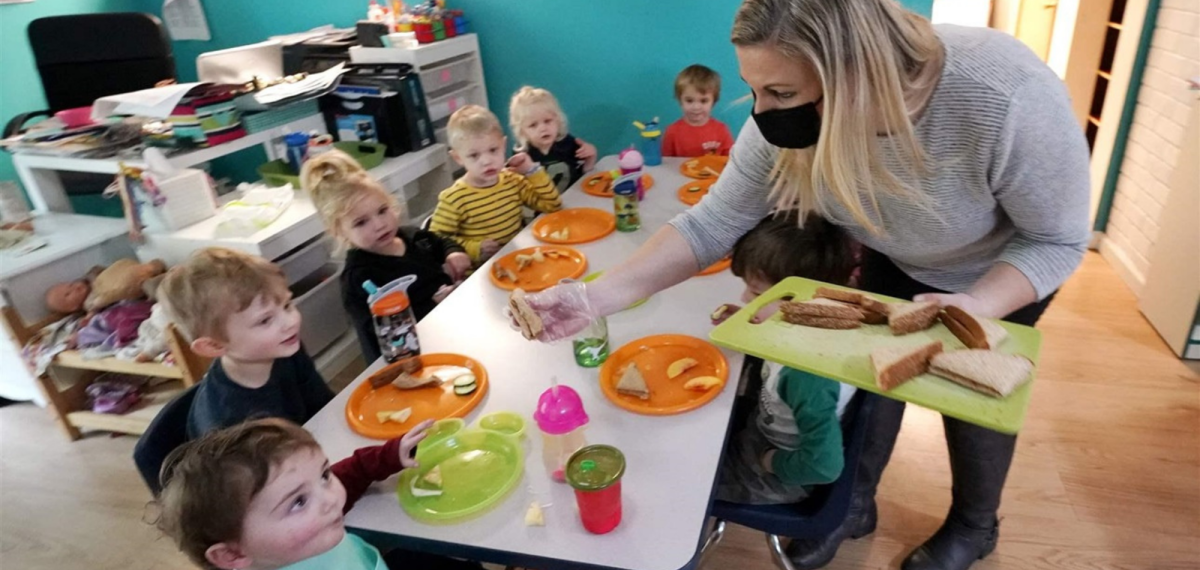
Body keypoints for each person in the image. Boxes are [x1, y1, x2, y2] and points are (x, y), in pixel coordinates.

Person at [513, 1, 1090, 569]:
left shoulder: (1005, 94)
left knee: (972, 402)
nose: (762, 112)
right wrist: (593, 298)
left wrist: (979, 305)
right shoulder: (788, 112)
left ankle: (973, 524)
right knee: (872, 381)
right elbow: (712, 222)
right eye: (754, 89)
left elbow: (1056, 241)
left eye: (781, 95)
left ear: (858, 72)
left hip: (998, 273)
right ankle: (855, 503)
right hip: (893, 255)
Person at [155, 418, 481, 570]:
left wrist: (387, 457)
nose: (330, 497)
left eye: (323, 475)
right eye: (298, 502)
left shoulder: (312, 524)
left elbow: (345, 476)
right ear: (232, 555)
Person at [717, 211, 858, 505]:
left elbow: (823, 467)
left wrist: (771, 462)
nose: (744, 299)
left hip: (781, 472)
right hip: (761, 431)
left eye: (755, 293)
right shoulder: (815, 323)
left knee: (690, 484)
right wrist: (749, 320)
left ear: (800, 302)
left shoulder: (808, 375)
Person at [301, 150, 472, 362]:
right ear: (339, 231)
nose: (380, 224)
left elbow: (442, 242)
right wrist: (432, 306)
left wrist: (453, 252)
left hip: (455, 331)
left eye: (382, 210)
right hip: (415, 358)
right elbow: (382, 337)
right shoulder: (360, 279)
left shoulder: (412, 237)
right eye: (361, 222)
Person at [157, 247, 335, 439]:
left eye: (286, 305)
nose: (290, 322)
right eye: (265, 320)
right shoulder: (231, 424)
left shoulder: (285, 349)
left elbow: (325, 409)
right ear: (214, 346)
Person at [430, 105, 563, 263]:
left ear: (503, 145)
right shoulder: (454, 198)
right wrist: (473, 248)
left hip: (518, 260)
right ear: (458, 158)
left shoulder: (512, 180)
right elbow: (435, 240)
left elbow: (552, 206)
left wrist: (532, 171)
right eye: (474, 155)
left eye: (493, 150)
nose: (487, 161)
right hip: (479, 274)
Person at [508, 86, 598, 192]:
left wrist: (591, 158)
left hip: (573, 201)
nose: (543, 129)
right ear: (522, 131)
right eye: (533, 125)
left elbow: (584, 176)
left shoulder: (567, 143)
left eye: (547, 121)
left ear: (558, 119)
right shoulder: (522, 155)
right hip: (541, 207)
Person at [661, 64, 735, 157]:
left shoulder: (722, 130)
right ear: (680, 100)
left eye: (703, 101)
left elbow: (731, 162)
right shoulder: (672, 132)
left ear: (714, 101)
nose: (696, 107)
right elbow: (665, 164)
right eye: (689, 100)